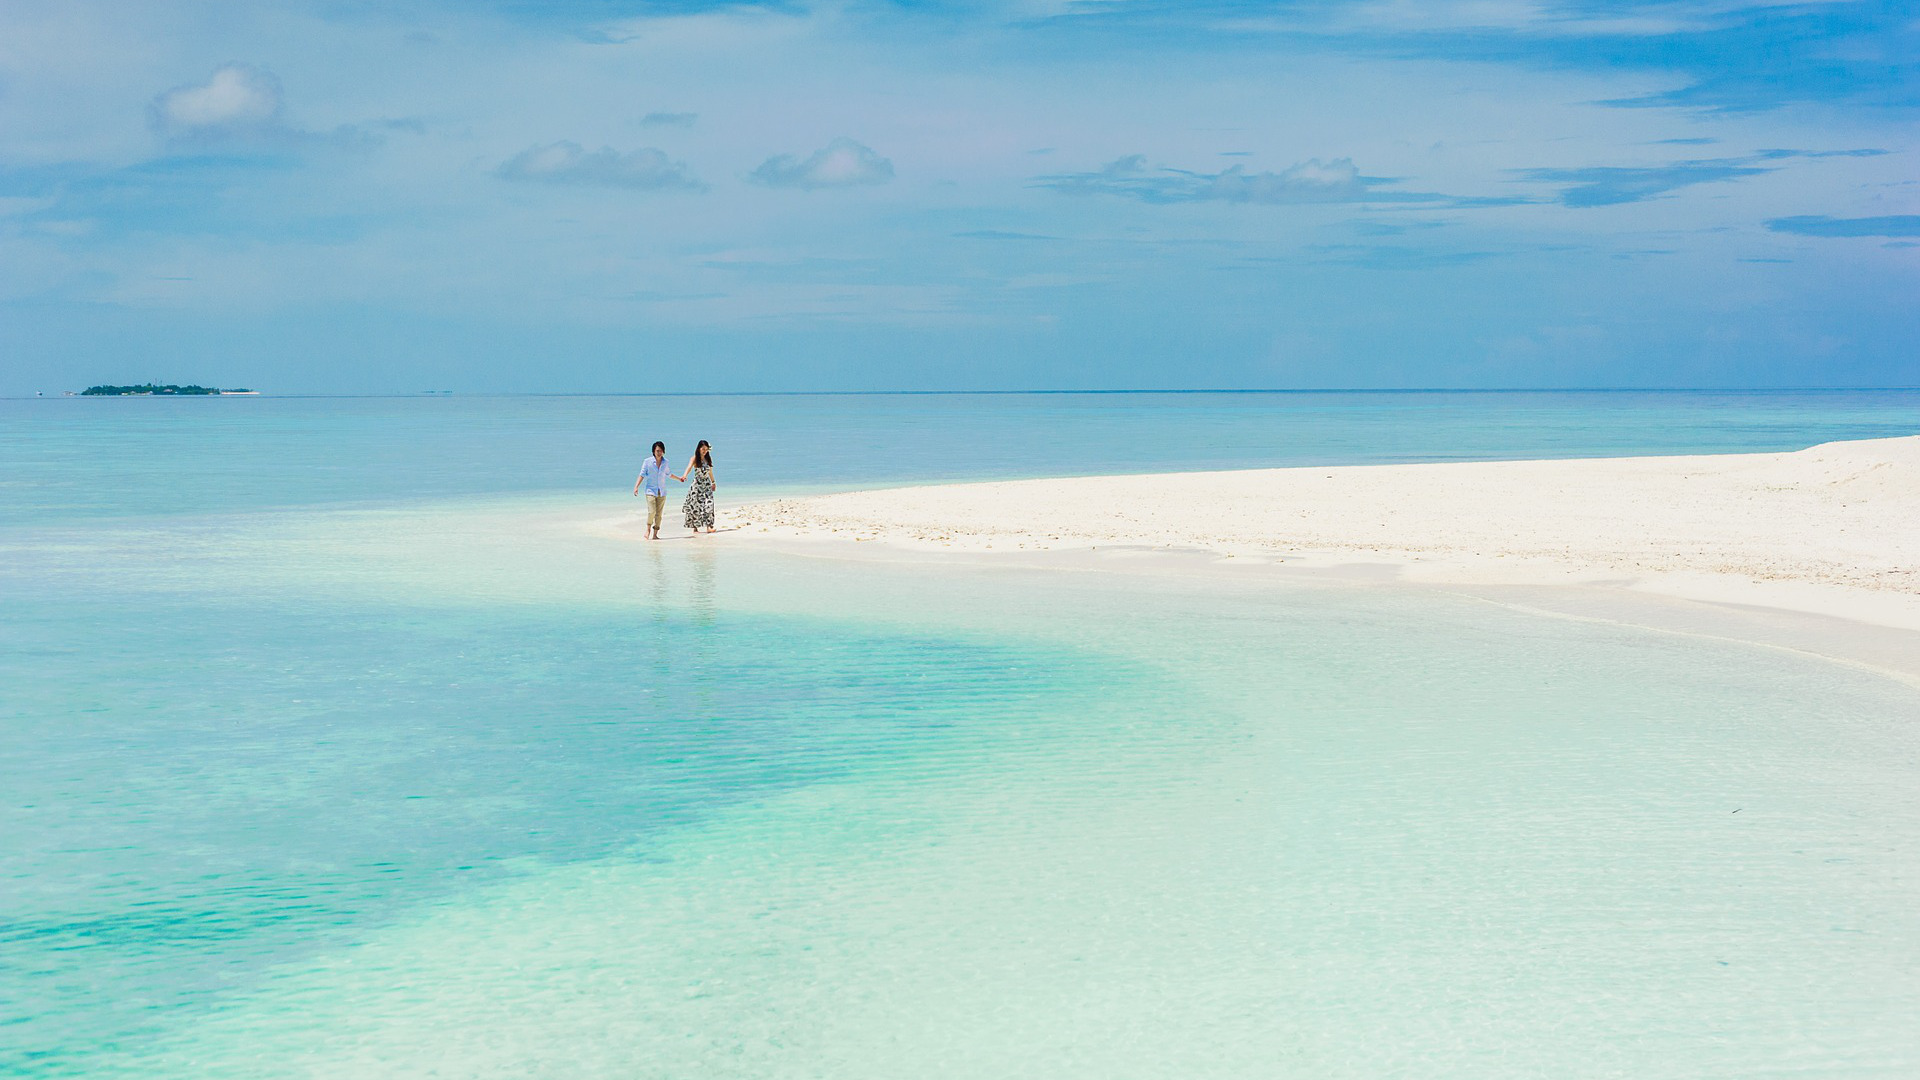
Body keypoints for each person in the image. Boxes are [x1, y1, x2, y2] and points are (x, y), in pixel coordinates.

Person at [632, 441, 677, 540]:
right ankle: (648, 529)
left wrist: (679, 479)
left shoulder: (666, 462)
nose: (659, 452)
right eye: (657, 451)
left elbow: (669, 474)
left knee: (659, 514)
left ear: (663, 451)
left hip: (662, 491)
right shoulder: (647, 462)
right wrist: (636, 487)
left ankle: (655, 534)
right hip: (650, 491)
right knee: (652, 511)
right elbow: (642, 474)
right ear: (653, 451)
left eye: (661, 451)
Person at [676, 440, 717, 534]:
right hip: (697, 485)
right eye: (703, 449)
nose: (705, 451)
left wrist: (713, 482)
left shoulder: (708, 459)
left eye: (706, 449)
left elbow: (710, 471)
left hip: (706, 485)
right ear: (699, 448)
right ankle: (695, 528)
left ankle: (709, 527)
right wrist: (684, 476)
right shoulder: (694, 458)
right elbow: (689, 467)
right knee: (696, 506)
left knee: (709, 505)